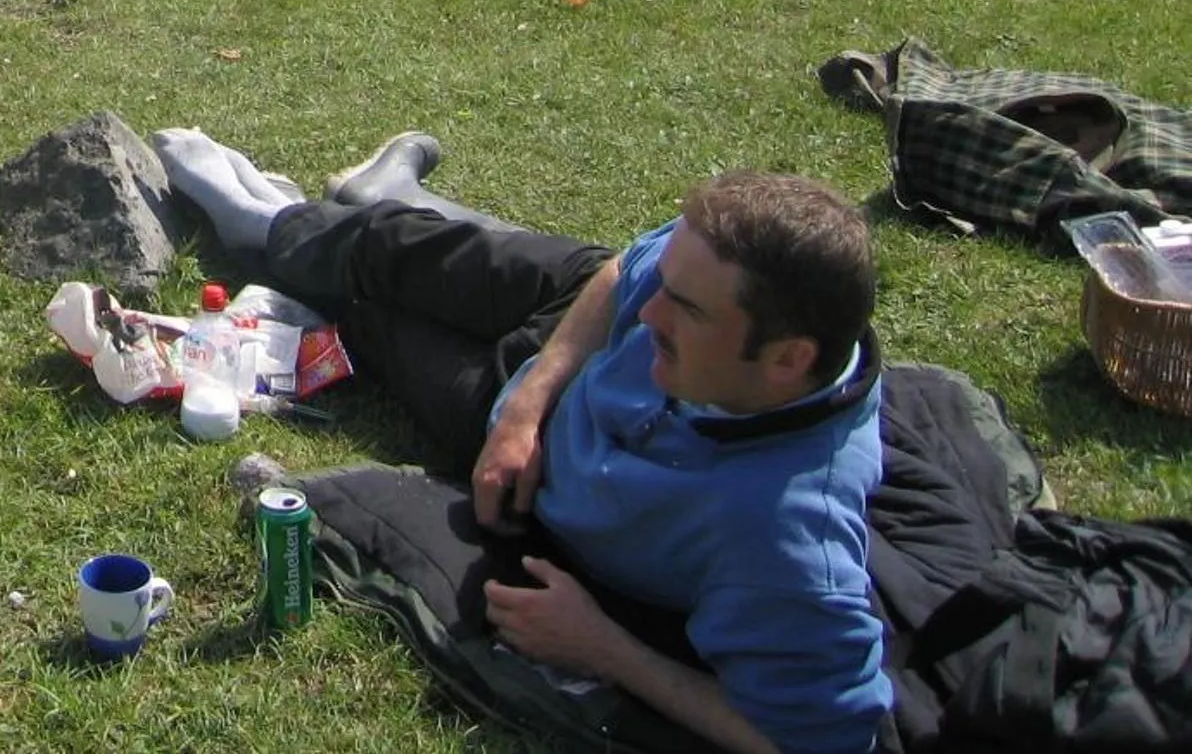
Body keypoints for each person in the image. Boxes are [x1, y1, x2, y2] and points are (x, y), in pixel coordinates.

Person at [155, 127, 886, 754]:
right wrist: (531, 399)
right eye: (668, 283)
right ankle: (298, 218)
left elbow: (818, 741)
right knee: (407, 250)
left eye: (685, 307)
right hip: (559, 354)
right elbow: (620, 273)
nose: (650, 309)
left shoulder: (787, 534)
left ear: (789, 358)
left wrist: (608, 650)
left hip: (532, 461)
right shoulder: (708, 296)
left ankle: (323, 212)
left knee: (367, 312)